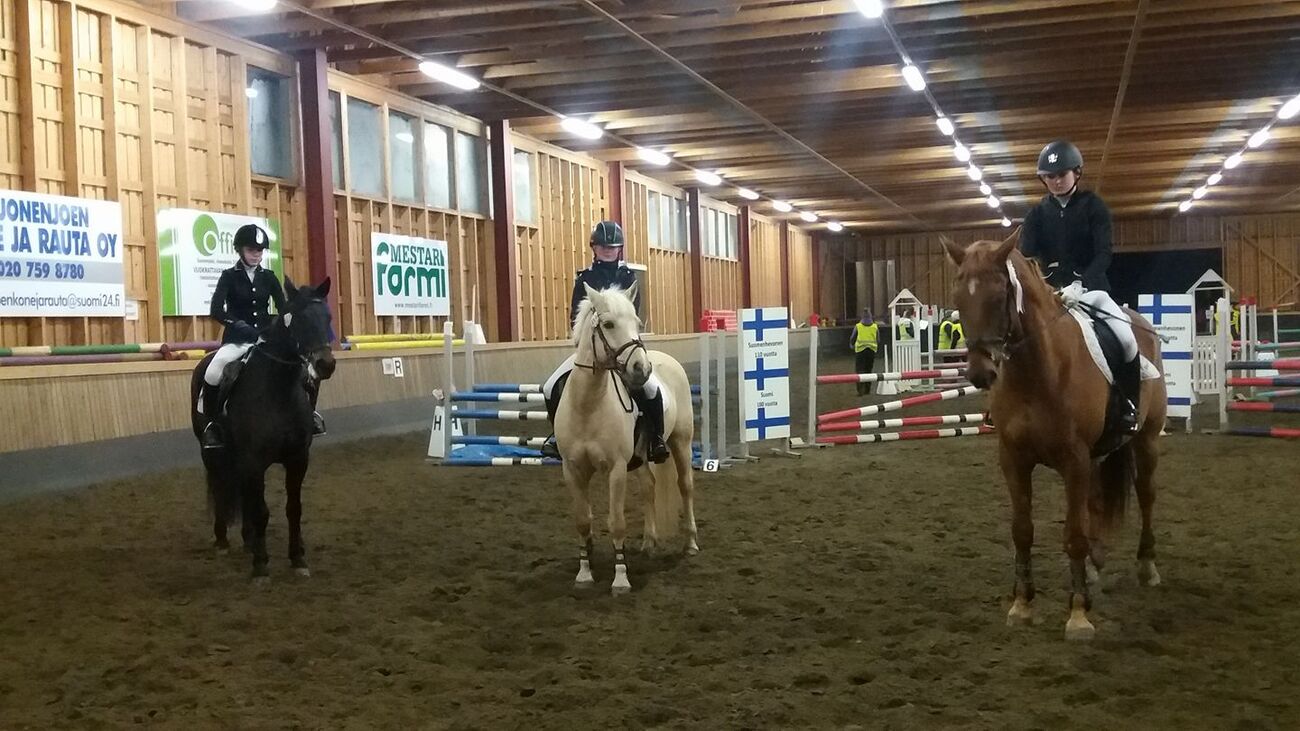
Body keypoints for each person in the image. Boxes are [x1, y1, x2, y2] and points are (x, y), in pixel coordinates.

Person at [1020, 139, 1139, 434]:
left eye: (1062, 174)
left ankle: (1128, 404)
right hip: (1050, 294)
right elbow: (1027, 256)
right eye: (1050, 176)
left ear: (1076, 173)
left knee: (1126, 338)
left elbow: (1104, 253)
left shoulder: (1093, 207)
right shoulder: (1036, 214)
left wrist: (1081, 283)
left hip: (1091, 291)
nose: (1056, 181)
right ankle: (1006, 404)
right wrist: (1042, 285)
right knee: (1016, 337)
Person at [539, 221, 669, 463]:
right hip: (592, 350)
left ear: (619, 249)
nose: (608, 251)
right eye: (603, 247)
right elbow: (575, 316)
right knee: (549, 387)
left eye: (613, 247)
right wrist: (585, 341)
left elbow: (632, 316)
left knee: (651, 388)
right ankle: (557, 436)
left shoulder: (628, 277)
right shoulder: (585, 278)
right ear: (594, 248)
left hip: (622, 350)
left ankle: (656, 439)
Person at [197, 223, 326, 449]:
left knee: (305, 369)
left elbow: (284, 308)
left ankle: (310, 414)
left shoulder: (269, 277)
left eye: (259, 250)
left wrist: (286, 324)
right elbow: (217, 310)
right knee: (213, 371)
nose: (256, 255)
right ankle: (212, 425)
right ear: (240, 250)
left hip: (266, 339)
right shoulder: (229, 277)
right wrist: (240, 326)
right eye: (251, 250)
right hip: (237, 340)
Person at [849, 308, 879, 396]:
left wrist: (851, 344)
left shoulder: (858, 326)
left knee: (859, 370)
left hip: (860, 351)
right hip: (871, 350)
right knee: (869, 370)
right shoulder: (875, 327)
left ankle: (860, 390)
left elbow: (852, 338)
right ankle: (867, 390)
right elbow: (878, 339)